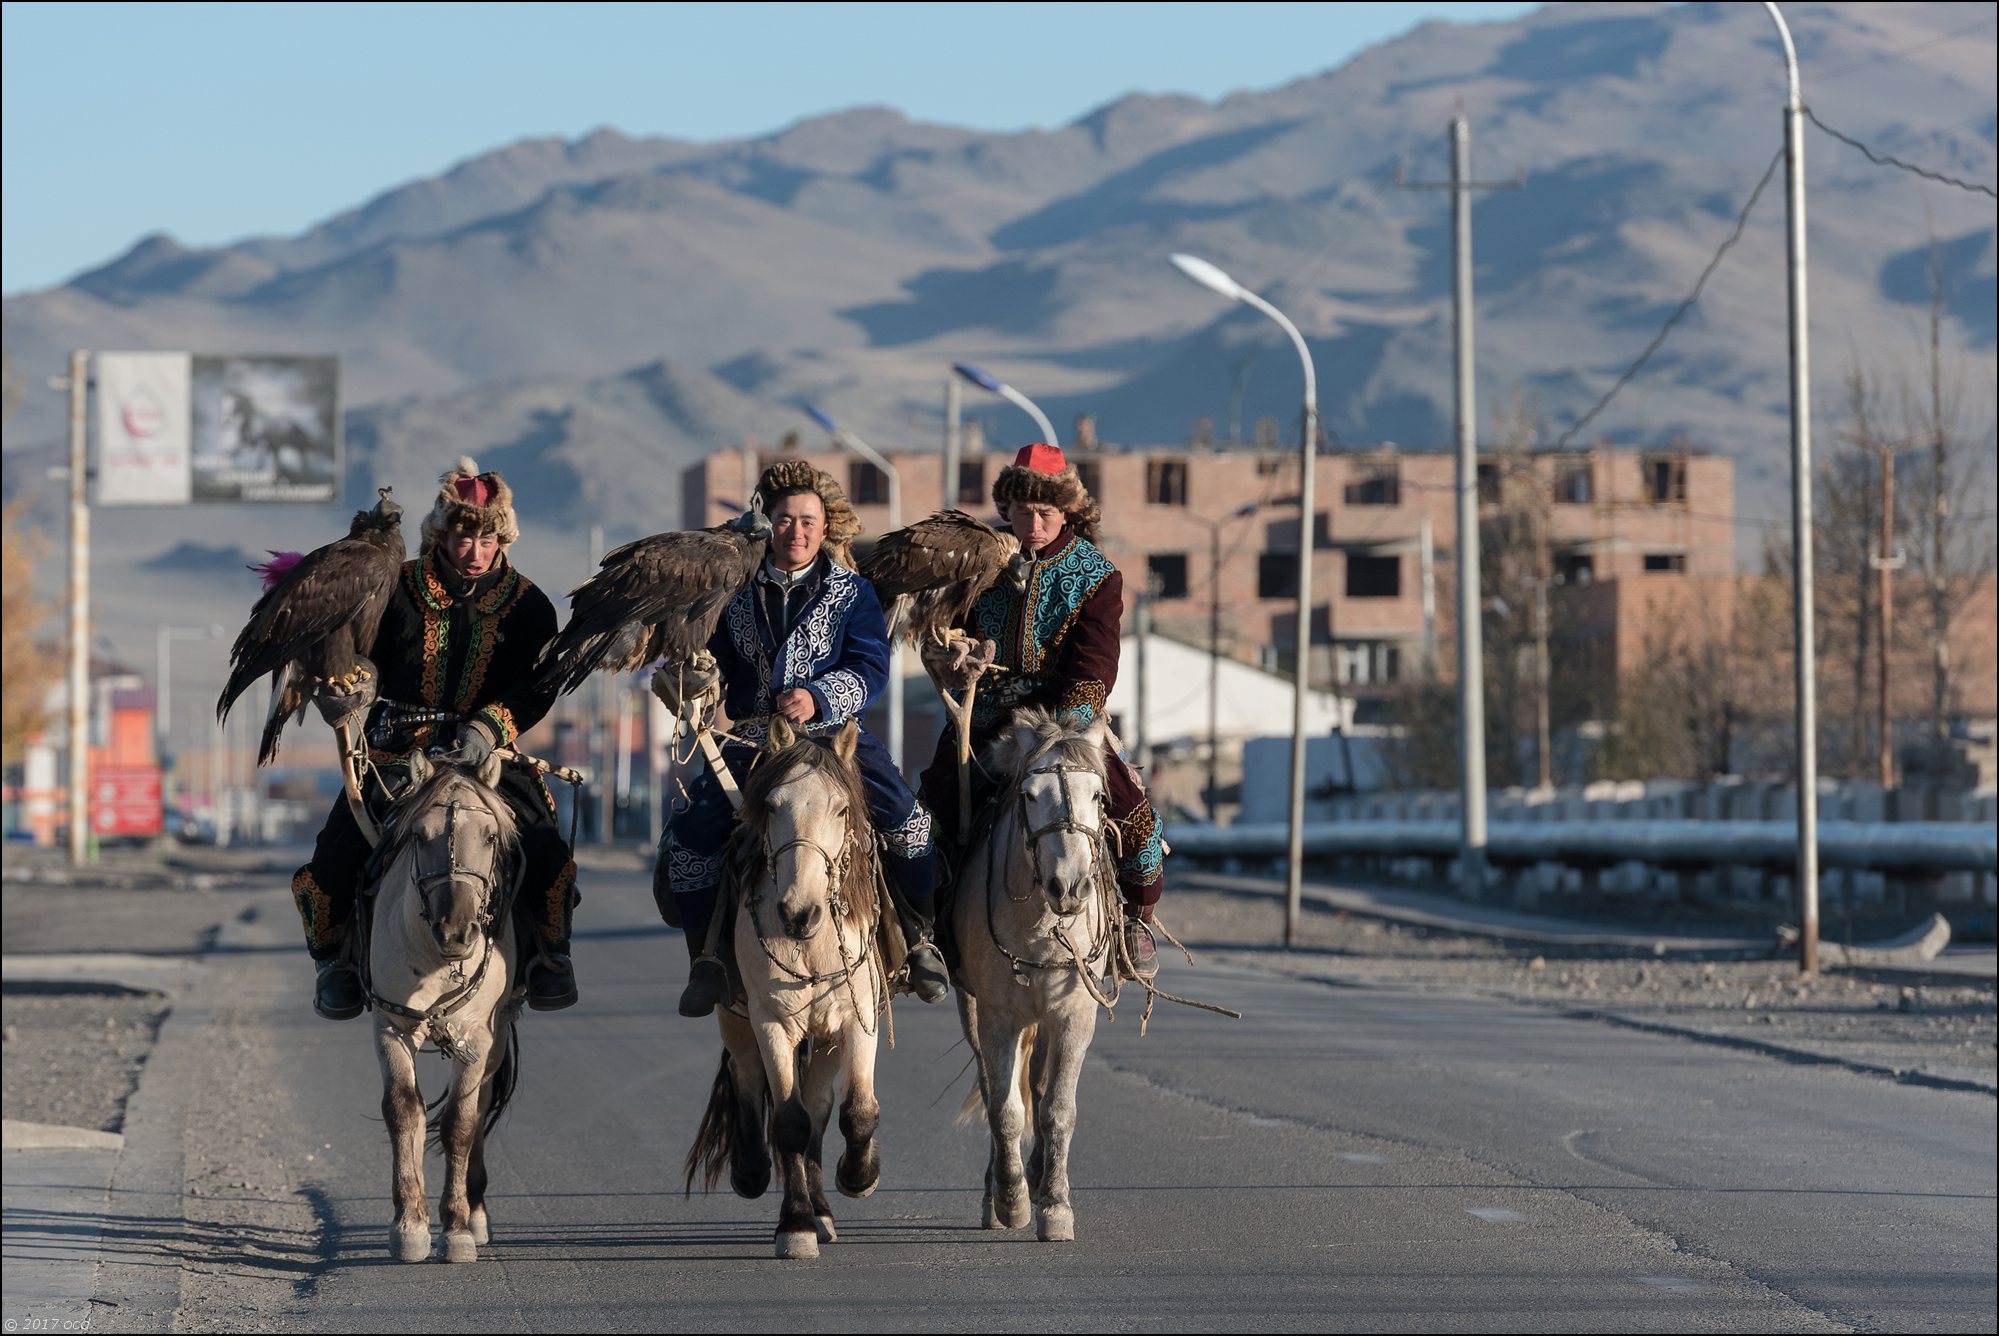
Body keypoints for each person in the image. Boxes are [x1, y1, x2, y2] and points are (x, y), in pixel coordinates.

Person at [656, 459, 950, 1017]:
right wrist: (689, 681)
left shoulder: (853, 594)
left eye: (808, 521)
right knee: (693, 836)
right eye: (787, 519)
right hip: (750, 742)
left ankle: (917, 939)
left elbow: (871, 667)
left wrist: (819, 695)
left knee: (908, 822)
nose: (797, 531)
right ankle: (707, 960)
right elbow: (704, 661)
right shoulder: (731, 592)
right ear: (768, 521)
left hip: (833, 740)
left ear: (825, 527)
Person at [292, 457, 579, 1019]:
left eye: (487, 537)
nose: (475, 549)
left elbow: (538, 689)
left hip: (490, 755)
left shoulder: (532, 608)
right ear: (441, 533)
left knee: (547, 850)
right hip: (397, 750)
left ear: (504, 537)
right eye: (463, 534)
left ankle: (551, 956)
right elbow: (360, 658)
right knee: (331, 861)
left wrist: (486, 727)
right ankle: (335, 965)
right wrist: (349, 687)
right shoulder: (393, 587)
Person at [918, 443, 1164, 979]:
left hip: (1066, 721)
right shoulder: (978, 564)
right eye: (1023, 511)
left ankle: (1136, 920)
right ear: (1007, 508)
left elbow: (1097, 660)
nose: (1033, 523)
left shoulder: (1097, 576)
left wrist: (1067, 727)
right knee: (930, 808)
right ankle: (925, 933)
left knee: (1133, 808)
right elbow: (942, 636)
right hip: (985, 719)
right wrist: (952, 658)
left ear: (1066, 512)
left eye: (1045, 513)